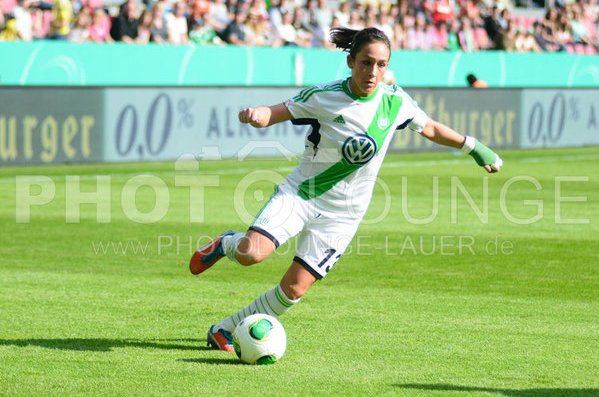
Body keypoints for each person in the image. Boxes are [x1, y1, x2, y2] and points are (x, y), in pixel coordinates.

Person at [190, 27, 504, 352]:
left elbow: (431, 127)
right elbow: (278, 111)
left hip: (344, 215)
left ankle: (225, 330)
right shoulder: (324, 95)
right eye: (366, 63)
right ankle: (226, 244)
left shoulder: (395, 102)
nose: (373, 72)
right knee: (251, 254)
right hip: (300, 195)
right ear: (351, 62)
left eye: (381, 64)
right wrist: (258, 115)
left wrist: (473, 146)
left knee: (294, 289)